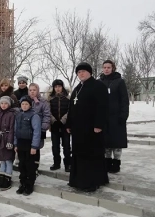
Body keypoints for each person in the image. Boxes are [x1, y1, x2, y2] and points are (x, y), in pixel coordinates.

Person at [66, 62, 109, 192]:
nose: (81, 74)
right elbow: (71, 108)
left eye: (83, 71)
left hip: (92, 129)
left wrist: (98, 124)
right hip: (78, 130)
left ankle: (91, 182)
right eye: (79, 72)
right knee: (79, 154)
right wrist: (69, 123)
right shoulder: (78, 88)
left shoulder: (98, 86)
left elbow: (103, 107)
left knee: (92, 154)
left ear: (90, 72)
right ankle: (77, 180)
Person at [99, 59, 129, 173]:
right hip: (104, 118)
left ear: (113, 68)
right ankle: (107, 162)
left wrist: (123, 115)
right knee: (105, 142)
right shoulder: (99, 82)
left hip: (116, 118)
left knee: (116, 142)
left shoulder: (119, 81)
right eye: (104, 67)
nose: (106, 69)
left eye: (108, 67)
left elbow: (124, 100)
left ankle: (116, 163)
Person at [14, 96, 41, 196]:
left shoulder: (34, 116)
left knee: (30, 165)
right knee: (22, 165)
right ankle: (23, 183)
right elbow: (15, 130)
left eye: (26, 104)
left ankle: (30, 185)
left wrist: (34, 146)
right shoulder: (18, 115)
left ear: (30, 105)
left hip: (30, 144)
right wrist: (15, 143)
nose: (24, 106)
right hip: (21, 143)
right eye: (22, 104)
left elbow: (37, 132)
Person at [48, 79, 71, 172]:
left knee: (66, 145)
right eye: (56, 87)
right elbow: (47, 111)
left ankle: (68, 164)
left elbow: (70, 111)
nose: (58, 88)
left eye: (59, 86)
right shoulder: (50, 99)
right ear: (53, 88)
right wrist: (53, 121)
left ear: (62, 87)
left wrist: (62, 120)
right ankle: (56, 163)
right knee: (55, 146)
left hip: (65, 125)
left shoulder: (68, 98)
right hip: (54, 125)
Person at [28, 82, 50, 171]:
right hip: (28, 130)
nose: (32, 92)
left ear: (38, 91)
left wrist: (43, 128)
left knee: (36, 149)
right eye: (30, 90)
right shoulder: (26, 100)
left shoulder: (43, 102)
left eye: (34, 90)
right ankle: (29, 167)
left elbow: (47, 115)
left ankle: (35, 168)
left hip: (38, 129)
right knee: (29, 149)